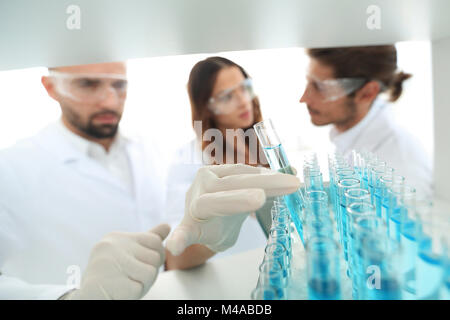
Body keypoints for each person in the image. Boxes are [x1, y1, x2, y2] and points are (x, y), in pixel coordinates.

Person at [0, 62, 300, 299]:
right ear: (50, 87)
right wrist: (68, 297)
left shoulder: (155, 151)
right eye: (88, 84)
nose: (109, 99)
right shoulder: (10, 168)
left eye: (119, 84)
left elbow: (172, 251)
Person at [165, 57, 273, 259]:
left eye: (244, 88)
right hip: (227, 273)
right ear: (207, 107)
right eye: (227, 96)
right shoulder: (188, 159)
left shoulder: (263, 143)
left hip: (274, 265)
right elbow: (175, 250)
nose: (243, 101)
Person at [299, 45, 432, 195]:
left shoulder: (401, 170)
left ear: (367, 93)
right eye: (309, 82)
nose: (304, 98)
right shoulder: (349, 135)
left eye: (320, 87)